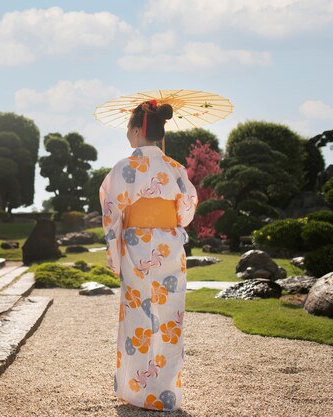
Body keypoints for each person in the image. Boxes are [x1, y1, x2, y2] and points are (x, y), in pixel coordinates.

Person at [99, 100, 198, 411]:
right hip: (169, 245)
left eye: (129, 128)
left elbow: (111, 213)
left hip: (136, 245)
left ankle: (137, 391)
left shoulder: (124, 168)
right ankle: (166, 392)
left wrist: (115, 252)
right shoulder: (176, 168)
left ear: (136, 130)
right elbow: (187, 211)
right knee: (170, 317)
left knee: (138, 316)